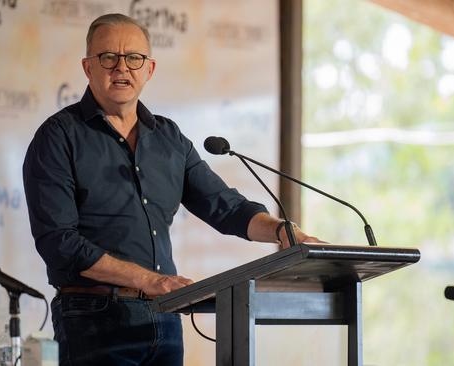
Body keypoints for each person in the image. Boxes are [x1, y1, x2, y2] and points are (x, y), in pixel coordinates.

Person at [23, 13, 319, 366]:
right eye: (108, 58)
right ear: (88, 67)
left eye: (134, 58)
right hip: (93, 318)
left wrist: (284, 231)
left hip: (165, 317)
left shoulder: (169, 138)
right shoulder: (59, 137)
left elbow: (225, 207)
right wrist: (149, 280)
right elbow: (59, 243)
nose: (122, 68)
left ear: (149, 69)